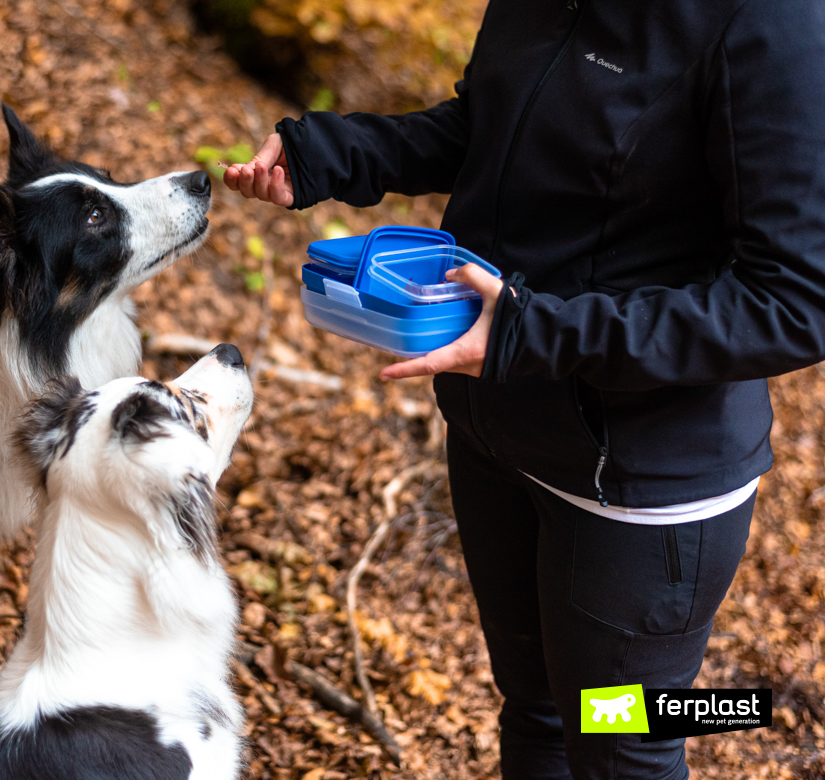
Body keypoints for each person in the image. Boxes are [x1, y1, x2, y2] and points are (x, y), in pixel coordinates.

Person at [224, 2, 825, 778]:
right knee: (539, 711)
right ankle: (745, 706)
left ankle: (753, 708)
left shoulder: (769, 23)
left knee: (620, 732)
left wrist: (533, 333)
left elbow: (794, 302)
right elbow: (491, 128)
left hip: (638, 485)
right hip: (499, 430)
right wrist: (334, 153)